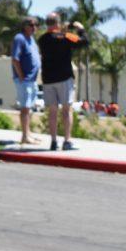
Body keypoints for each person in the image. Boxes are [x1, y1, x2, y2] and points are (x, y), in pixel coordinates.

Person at [37, 14, 88, 151]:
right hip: (64, 78)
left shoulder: (41, 39)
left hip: (48, 80)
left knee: (52, 112)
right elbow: (83, 41)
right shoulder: (65, 36)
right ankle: (67, 141)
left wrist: (63, 30)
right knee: (66, 110)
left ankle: (53, 142)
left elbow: (53, 37)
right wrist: (80, 29)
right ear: (58, 23)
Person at [10, 16, 41, 145]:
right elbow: (15, 59)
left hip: (31, 80)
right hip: (24, 80)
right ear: (24, 26)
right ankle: (24, 137)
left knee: (29, 108)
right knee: (25, 108)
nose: (34, 27)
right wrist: (21, 76)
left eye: (35, 25)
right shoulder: (20, 38)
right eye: (31, 25)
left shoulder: (32, 40)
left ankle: (28, 134)